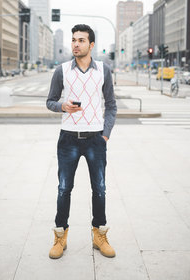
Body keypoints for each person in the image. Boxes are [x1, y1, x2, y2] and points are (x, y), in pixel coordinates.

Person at [46, 24, 117, 259]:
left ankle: (99, 236)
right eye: (74, 39)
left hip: (96, 139)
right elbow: (50, 101)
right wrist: (62, 106)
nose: (76, 44)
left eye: (81, 40)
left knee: (100, 189)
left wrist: (105, 134)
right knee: (64, 188)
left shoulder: (104, 71)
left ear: (91, 45)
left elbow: (111, 106)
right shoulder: (62, 70)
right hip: (68, 139)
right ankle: (59, 238)